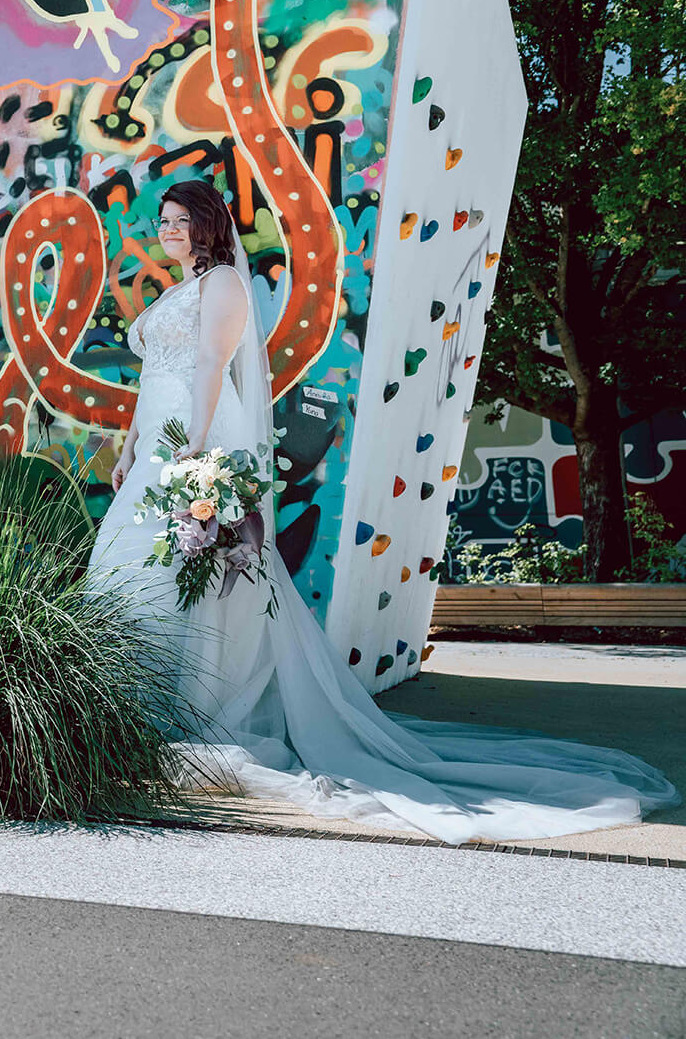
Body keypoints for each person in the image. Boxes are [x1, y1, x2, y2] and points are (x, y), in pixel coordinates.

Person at [93, 178, 679, 844]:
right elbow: (153, 379)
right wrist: (133, 443)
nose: (167, 229)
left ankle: (188, 711)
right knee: (138, 569)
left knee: (198, 575)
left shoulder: (222, 283)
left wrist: (194, 448)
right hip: (157, 448)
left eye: (178, 220)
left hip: (197, 441)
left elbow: (207, 365)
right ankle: (134, 711)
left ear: (205, 223)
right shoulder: (172, 292)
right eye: (163, 221)